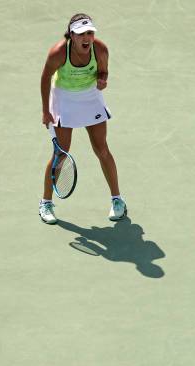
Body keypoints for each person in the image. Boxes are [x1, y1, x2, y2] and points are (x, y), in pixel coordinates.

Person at [39, 13, 127, 224]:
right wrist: (45, 111)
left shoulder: (100, 49)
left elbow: (104, 71)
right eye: (81, 34)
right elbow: (45, 78)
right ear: (71, 35)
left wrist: (102, 80)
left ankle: (118, 200)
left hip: (90, 97)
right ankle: (46, 203)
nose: (86, 38)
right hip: (65, 99)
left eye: (90, 33)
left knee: (101, 149)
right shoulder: (59, 52)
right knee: (61, 153)